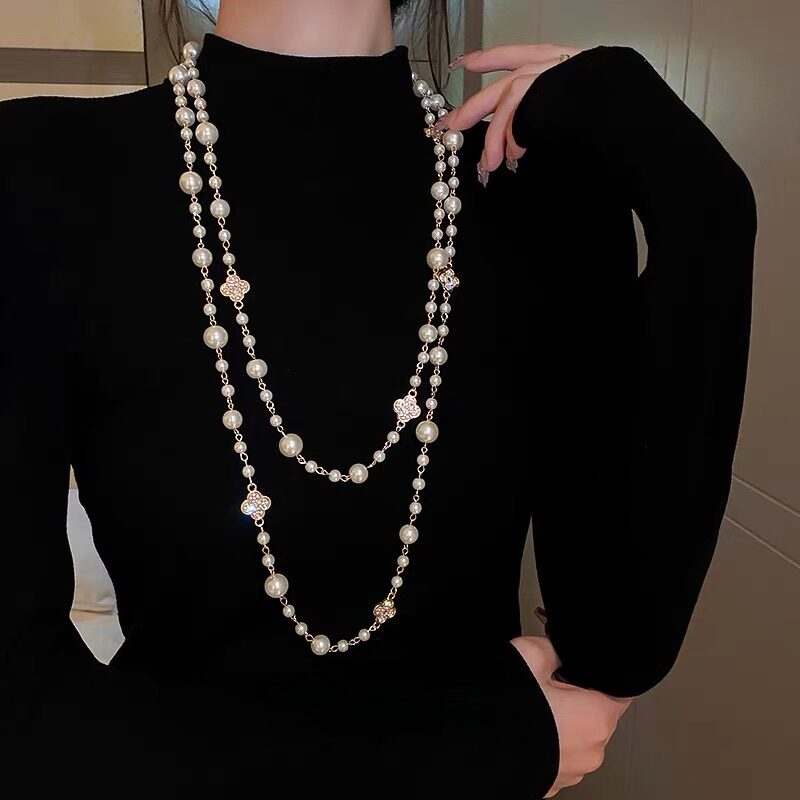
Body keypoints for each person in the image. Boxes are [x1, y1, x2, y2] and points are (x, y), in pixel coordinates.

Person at [0, 0, 756, 796]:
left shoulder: (539, 192)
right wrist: (470, 750)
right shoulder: (39, 176)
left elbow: (616, 651)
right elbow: (18, 721)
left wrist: (701, 200)